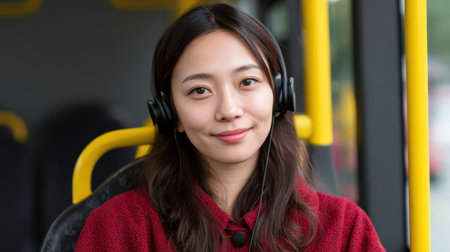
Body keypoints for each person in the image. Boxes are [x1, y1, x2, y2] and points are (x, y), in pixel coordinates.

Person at [75, 3, 385, 251]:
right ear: (170, 114)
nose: (229, 110)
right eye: (199, 90)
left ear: (278, 97)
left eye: (247, 82)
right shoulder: (118, 229)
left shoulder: (344, 228)